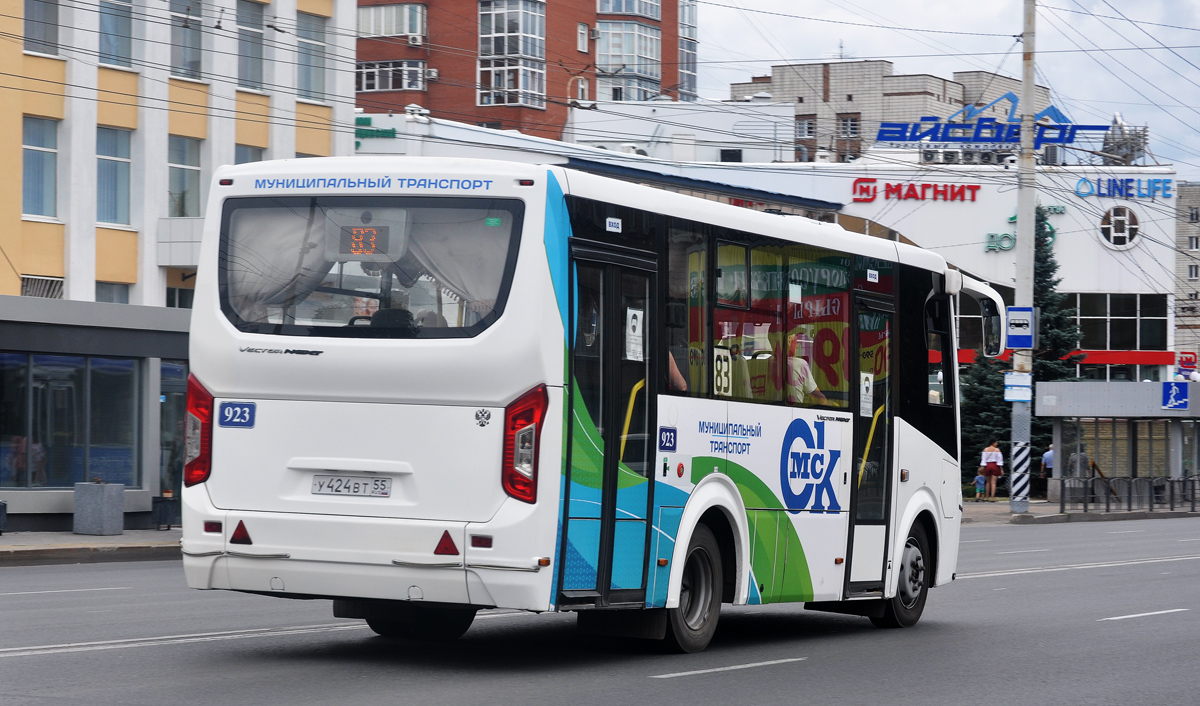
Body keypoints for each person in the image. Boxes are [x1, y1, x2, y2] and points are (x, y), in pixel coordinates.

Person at [786, 334, 828, 405]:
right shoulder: (799, 364)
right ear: (789, 341)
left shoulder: (764, 362)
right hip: (795, 412)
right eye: (796, 342)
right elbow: (817, 396)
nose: (797, 346)